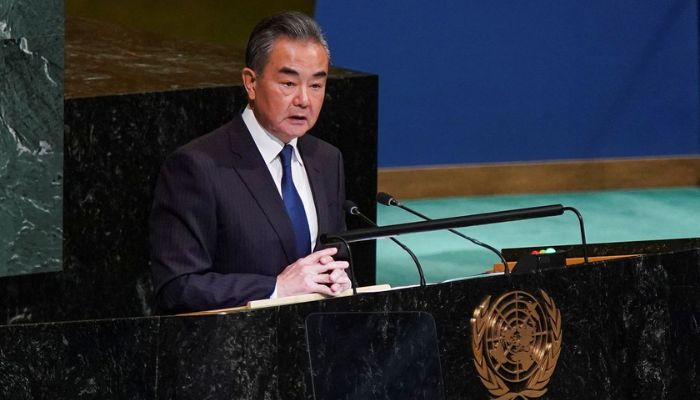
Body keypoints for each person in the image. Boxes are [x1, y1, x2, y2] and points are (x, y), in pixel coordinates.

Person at [149, 11, 351, 313]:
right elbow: (178, 285)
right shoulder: (198, 166)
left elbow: (334, 256)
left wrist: (340, 279)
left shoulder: (326, 159)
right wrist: (276, 289)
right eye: (288, 83)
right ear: (251, 83)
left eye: (316, 85)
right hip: (234, 350)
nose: (304, 100)